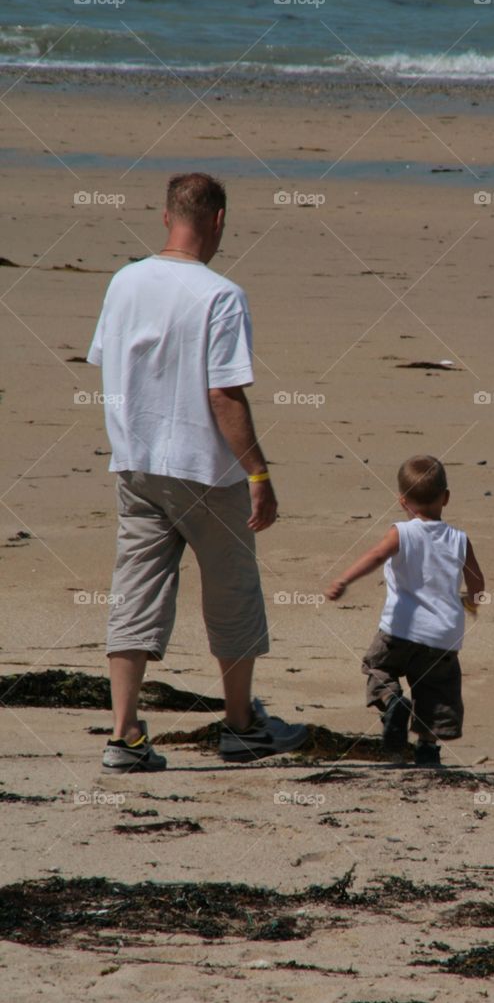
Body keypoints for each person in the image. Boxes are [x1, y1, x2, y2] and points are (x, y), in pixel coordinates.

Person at [87, 172, 307, 772]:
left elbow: (110, 363)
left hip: (137, 464)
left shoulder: (124, 281)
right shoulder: (220, 294)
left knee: (134, 595)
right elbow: (224, 395)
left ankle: (125, 735)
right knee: (233, 594)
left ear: (165, 218)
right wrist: (258, 474)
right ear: (217, 222)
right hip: (205, 470)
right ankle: (240, 728)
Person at [325, 455, 484, 766]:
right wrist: (473, 600)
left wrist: (344, 579)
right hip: (442, 637)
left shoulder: (401, 532)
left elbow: (374, 556)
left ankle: (392, 700)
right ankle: (427, 749)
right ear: (446, 497)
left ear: (402, 502)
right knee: (435, 692)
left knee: (377, 667)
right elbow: (476, 579)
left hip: (399, 630)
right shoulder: (460, 540)